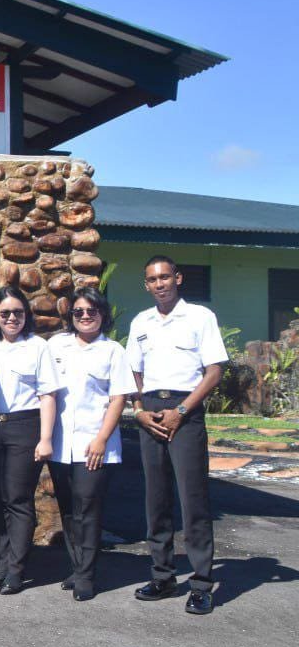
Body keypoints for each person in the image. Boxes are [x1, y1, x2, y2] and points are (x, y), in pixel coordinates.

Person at [127, 255, 227, 615]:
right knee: (156, 501)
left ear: (178, 278)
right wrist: (139, 411)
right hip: (151, 414)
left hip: (186, 413)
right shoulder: (141, 322)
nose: (160, 284)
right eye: (153, 279)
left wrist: (182, 411)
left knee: (193, 500)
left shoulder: (200, 317)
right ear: (147, 285)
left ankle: (201, 584)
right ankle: (163, 576)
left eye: (165, 277)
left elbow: (214, 371)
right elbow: (134, 373)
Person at [47, 287, 134, 602]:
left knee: (88, 508)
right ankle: (76, 566)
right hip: (60, 443)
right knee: (69, 509)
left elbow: (118, 398)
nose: (85, 316)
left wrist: (100, 439)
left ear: (102, 314)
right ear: (71, 315)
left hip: (95, 445)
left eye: (91, 311)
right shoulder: (56, 345)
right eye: (79, 311)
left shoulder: (112, 351)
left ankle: (87, 575)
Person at [0, 286, 59, 595]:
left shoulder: (37, 346)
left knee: (18, 499)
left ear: (26, 314)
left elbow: (48, 394)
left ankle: (16, 569)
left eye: (18, 313)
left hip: (25, 425)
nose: (12, 318)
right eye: (5, 313)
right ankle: (2, 564)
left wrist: (46, 437)